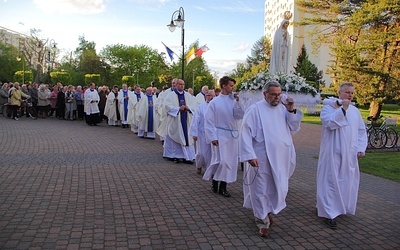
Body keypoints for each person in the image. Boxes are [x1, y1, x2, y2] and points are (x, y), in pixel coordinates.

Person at [239, 80, 303, 238]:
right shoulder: (255, 110)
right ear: (265, 94)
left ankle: (267, 211)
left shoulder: (283, 108)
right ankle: (262, 221)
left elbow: (294, 128)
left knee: (277, 187)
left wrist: (291, 110)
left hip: (280, 158)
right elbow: (245, 132)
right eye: (273, 94)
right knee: (260, 189)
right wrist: (250, 155)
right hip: (261, 157)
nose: (277, 97)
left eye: (279, 94)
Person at [316, 82, 368, 229]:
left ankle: (340, 207)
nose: (350, 95)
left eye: (352, 92)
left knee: (346, 181)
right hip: (332, 151)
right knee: (330, 181)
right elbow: (330, 123)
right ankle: (328, 213)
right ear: (339, 93)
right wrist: (342, 109)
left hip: (349, 152)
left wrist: (360, 147)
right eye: (347, 92)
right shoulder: (328, 108)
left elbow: (360, 131)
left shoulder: (355, 111)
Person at [203, 76, 244, 197]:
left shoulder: (233, 100)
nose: (233, 88)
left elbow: (239, 115)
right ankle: (215, 181)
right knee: (222, 161)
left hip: (232, 135)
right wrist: (212, 137)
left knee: (230, 162)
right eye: (231, 85)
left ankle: (223, 186)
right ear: (224, 86)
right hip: (220, 135)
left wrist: (238, 102)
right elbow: (209, 121)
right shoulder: (214, 102)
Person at [162, 78, 196, 163]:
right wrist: (178, 109)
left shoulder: (188, 95)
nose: (182, 86)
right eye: (180, 84)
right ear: (176, 85)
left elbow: (194, 105)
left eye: (183, 84)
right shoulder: (170, 95)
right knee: (175, 137)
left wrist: (189, 108)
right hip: (175, 119)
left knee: (187, 137)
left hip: (186, 119)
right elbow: (167, 106)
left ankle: (187, 156)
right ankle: (174, 155)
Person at [189, 89, 215, 175]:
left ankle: (210, 169)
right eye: (208, 95)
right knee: (202, 152)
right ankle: (199, 165)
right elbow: (196, 120)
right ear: (205, 97)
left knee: (212, 153)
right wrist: (194, 133)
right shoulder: (201, 107)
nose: (210, 97)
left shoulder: (216, 107)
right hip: (202, 133)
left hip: (213, 134)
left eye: (212, 95)